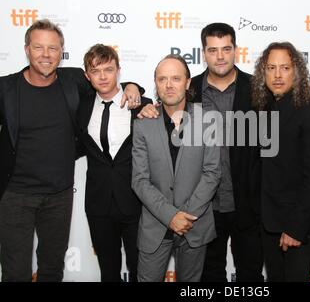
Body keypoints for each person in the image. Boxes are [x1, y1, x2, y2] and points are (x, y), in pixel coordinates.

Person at [0, 19, 142, 282]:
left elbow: (108, 82)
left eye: (53, 48)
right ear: (26, 49)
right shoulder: (6, 89)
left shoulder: (73, 80)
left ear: (61, 52)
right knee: (15, 272)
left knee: (52, 270)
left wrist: (134, 88)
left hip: (59, 196)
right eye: (39, 47)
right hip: (15, 196)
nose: (46, 55)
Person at [139, 23, 264, 282]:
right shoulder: (188, 88)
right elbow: (162, 109)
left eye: (226, 49)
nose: (220, 56)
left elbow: (270, 148)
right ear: (203, 53)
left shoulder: (257, 90)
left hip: (245, 205)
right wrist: (138, 98)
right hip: (203, 210)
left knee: (250, 277)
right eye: (212, 50)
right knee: (208, 279)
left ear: (235, 51)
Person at [132, 54, 221, 282]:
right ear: (156, 84)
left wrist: (185, 217)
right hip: (155, 225)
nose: (169, 85)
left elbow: (212, 173)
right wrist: (171, 216)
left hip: (195, 223)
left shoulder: (209, 120)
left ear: (188, 82)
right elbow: (140, 181)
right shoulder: (143, 124)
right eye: (162, 79)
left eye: (175, 78)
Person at [251, 42, 310, 281]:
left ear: (296, 72)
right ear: (262, 73)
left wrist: (295, 228)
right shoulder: (263, 111)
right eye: (271, 68)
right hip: (268, 223)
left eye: (285, 67)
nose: (277, 75)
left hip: (295, 226)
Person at [77, 44, 152, 282]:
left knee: (141, 269)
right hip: (98, 204)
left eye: (108, 69)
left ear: (119, 70)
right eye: (95, 71)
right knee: (108, 272)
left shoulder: (142, 104)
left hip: (135, 201)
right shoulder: (82, 105)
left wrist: (134, 87)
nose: (102, 76)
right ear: (87, 75)